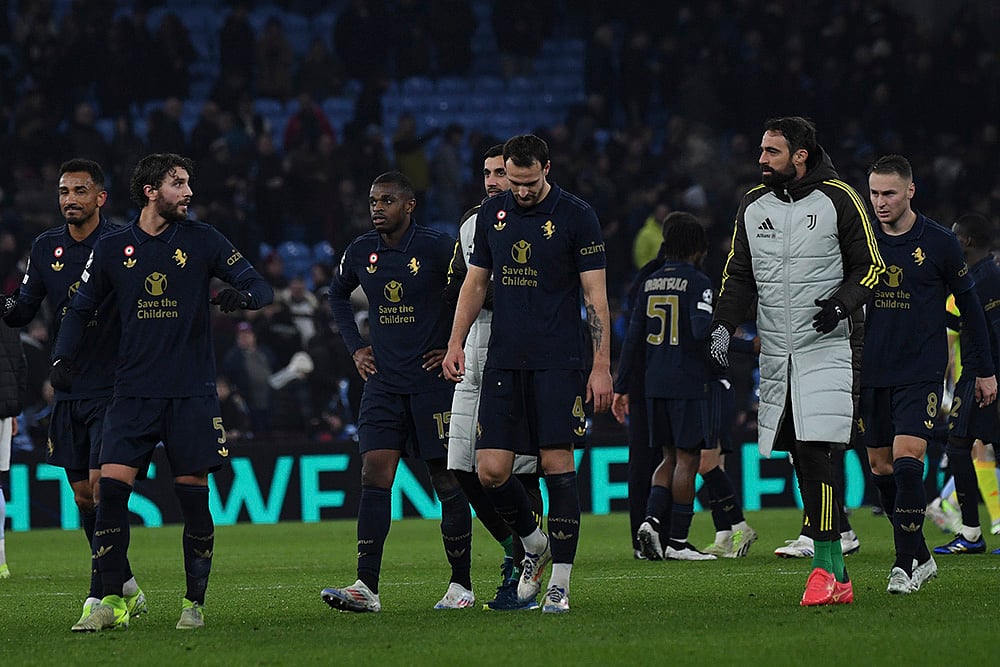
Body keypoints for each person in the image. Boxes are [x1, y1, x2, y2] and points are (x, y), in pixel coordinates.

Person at [52, 153, 274, 631]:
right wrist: (61, 359)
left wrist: (245, 297)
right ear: (151, 190)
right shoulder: (113, 247)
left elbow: (260, 285)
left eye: (188, 182)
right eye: (179, 182)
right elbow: (79, 309)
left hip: (191, 393)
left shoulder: (204, 240)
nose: (188, 191)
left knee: (193, 498)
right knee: (107, 492)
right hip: (131, 392)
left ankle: (193, 604)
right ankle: (111, 602)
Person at [711, 116, 884, 606]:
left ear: (800, 156)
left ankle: (823, 570)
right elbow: (738, 276)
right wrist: (722, 325)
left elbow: (871, 266)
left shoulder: (839, 199)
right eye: (762, 150)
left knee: (819, 452)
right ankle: (839, 574)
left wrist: (840, 305)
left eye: (771, 151)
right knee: (798, 455)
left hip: (831, 346)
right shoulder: (752, 205)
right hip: (778, 352)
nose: (761, 160)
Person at [443, 134, 613, 614]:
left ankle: (559, 581)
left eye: (526, 181)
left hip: (558, 362)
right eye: (511, 182)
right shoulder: (492, 216)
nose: (517, 190)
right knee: (490, 470)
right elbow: (475, 282)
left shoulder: (577, 216)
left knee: (558, 465)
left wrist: (601, 367)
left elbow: (595, 299)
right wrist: (455, 342)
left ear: (546, 169)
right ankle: (535, 545)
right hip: (502, 362)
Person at [0, 159, 148, 625]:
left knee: (105, 489)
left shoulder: (124, 243)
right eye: (64, 191)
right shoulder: (46, 248)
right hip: (69, 386)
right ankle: (123, 580)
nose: (70, 199)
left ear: (100, 198)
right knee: (84, 496)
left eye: (80, 191)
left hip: (117, 384)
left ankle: (102, 597)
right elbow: (23, 310)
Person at [321, 171, 474, 613]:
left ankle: (460, 585)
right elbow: (337, 295)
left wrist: (452, 343)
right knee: (373, 474)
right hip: (384, 384)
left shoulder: (436, 247)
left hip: (432, 384)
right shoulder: (360, 250)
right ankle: (366, 586)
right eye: (372, 200)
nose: (376, 207)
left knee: (446, 480)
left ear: (409, 206)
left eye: (386, 200)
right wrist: (355, 348)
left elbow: (472, 289)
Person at [862, 155, 997, 593]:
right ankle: (919, 550)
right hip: (872, 371)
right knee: (880, 467)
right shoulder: (860, 241)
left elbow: (973, 312)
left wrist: (985, 371)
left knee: (906, 461)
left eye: (890, 193)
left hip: (920, 370)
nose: (881, 202)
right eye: (875, 194)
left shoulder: (939, 243)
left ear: (910, 192)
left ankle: (905, 566)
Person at [443, 144, 543, 610]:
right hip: (474, 351)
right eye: (486, 172)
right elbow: (457, 286)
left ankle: (528, 563)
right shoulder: (472, 224)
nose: (491, 181)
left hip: (516, 351)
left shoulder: (536, 224)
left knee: (520, 470)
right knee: (462, 467)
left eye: (500, 173)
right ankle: (515, 544)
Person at [612, 212, 720, 561]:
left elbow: (632, 338)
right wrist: (738, 346)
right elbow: (703, 332)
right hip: (686, 381)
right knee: (687, 460)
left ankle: (650, 520)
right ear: (697, 248)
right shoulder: (699, 282)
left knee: (667, 458)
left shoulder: (648, 282)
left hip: (653, 384)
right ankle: (677, 541)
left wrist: (622, 384)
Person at [933, 213, 1000, 555]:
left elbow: (991, 332)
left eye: (955, 236)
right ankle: (971, 532)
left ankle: (972, 533)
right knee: (961, 446)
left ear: (968, 242)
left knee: (960, 447)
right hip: (976, 375)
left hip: (983, 377)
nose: (951, 240)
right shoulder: (975, 276)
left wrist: (988, 375)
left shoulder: (986, 279)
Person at [0, 318, 26, 580]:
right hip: (3, 410)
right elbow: (19, 363)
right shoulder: (8, 312)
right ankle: (1, 561)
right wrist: (14, 408)